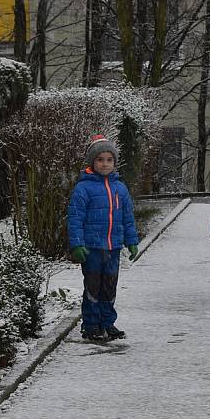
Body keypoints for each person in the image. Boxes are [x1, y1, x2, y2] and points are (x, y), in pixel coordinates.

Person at [67, 134, 139, 341]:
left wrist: (131, 241)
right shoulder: (83, 188)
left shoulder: (120, 189)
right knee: (93, 287)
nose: (105, 164)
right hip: (92, 248)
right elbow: (75, 218)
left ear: (114, 162)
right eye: (100, 160)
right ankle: (91, 325)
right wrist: (77, 244)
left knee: (109, 286)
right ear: (92, 162)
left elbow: (127, 218)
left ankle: (108, 322)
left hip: (113, 247)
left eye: (109, 160)